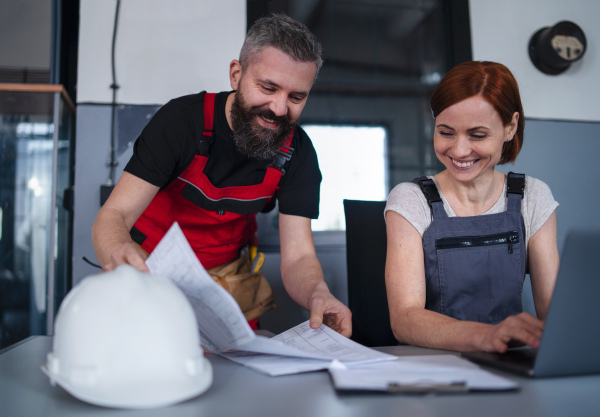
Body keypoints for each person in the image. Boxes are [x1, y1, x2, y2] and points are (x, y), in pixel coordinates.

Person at [92, 13, 351, 337]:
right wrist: (120, 254)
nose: (280, 108)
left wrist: (318, 293)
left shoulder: (297, 153)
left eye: (296, 97)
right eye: (267, 87)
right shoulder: (181, 122)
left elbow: (298, 256)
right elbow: (114, 215)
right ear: (236, 74)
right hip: (149, 275)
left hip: (227, 288)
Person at [384, 61, 559, 353]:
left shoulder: (534, 196)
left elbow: (553, 313)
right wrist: (486, 336)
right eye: (446, 132)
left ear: (510, 127)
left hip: (509, 364)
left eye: (477, 135)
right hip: (435, 367)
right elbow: (404, 319)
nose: (459, 150)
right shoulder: (411, 199)